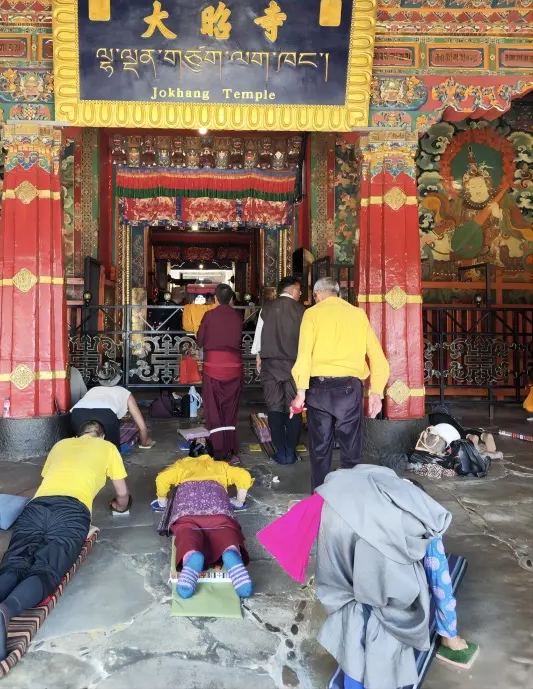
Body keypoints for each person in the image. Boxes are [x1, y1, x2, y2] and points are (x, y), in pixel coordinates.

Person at [257, 465, 468, 689]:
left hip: (337, 525)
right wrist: (449, 635)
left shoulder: (369, 479)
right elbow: (440, 585)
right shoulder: (427, 520)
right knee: (385, 628)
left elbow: (318, 500)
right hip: (383, 581)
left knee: (355, 619)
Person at [0, 419, 130, 664]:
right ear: (101, 435)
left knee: (15, 565)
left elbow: (48, 478)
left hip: (36, 508)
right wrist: (119, 507)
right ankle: (5, 613)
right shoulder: (108, 448)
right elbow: (122, 494)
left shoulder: (61, 445)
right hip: (72, 512)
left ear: (80, 435)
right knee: (46, 570)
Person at [291, 278, 390, 488]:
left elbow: (304, 357)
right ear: (338, 293)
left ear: (317, 295)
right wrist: (376, 393)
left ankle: (319, 497)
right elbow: (378, 357)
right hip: (349, 390)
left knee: (319, 449)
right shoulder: (357, 314)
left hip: (319, 390)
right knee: (351, 449)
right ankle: (349, 497)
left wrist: (300, 393)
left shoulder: (312, 314)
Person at [155, 439, 253, 599]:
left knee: (187, 531)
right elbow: (244, 475)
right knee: (225, 529)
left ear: (191, 452)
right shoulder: (220, 466)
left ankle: (191, 554)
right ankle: (230, 551)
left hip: (188, 510)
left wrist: (162, 502)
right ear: (211, 453)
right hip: (217, 508)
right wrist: (239, 501)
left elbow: (162, 479)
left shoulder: (182, 464)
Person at [252, 276, 305, 464]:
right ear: (291, 290)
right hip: (295, 367)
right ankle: (290, 452)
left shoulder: (267, 308)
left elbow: (258, 337)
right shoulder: (302, 311)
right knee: (294, 407)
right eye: (299, 290)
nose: (300, 293)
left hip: (271, 366)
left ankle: (280, 452)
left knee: (274, 408)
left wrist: (258, 357)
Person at [196, 283, 243, 462]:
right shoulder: (237, 316)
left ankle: (218, 450)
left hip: (213, 368)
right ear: (231, 298)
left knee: (214, 410)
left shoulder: (209, 315)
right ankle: (231, 450)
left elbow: (200, 341)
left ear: (215, 298)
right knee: (230, 410)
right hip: (235, 368)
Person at [71, 367, 154, 449]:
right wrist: (145, 442)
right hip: (105, 415)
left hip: (77, 413)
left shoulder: (93, 389)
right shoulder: (125, 392)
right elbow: (142, 427)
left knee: (78, 447)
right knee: (112, 451)